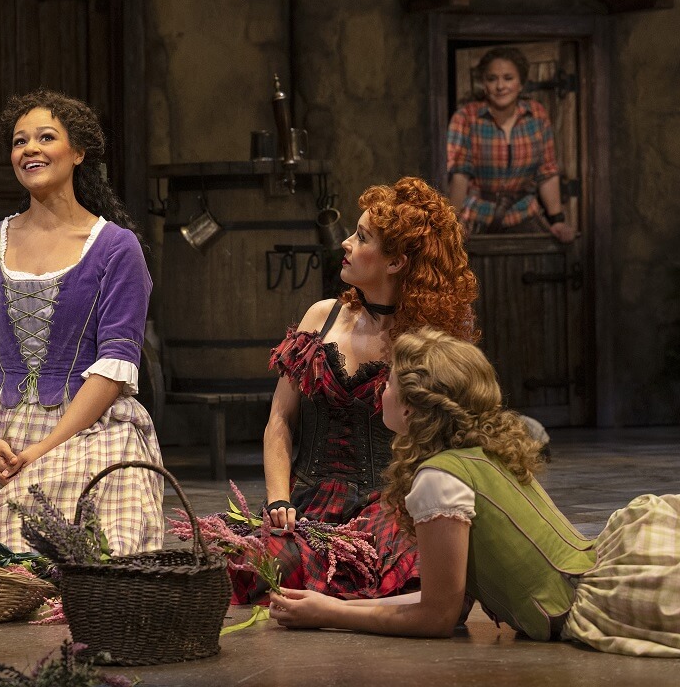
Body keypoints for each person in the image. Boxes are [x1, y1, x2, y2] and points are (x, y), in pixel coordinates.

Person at [269, 327, 680, 659]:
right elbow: (446, 601)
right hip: (589, 573)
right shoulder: (479, 452)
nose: (382, 390)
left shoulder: (438, 479)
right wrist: (327, 605)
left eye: (391, 383)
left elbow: (438, 617)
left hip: (582, 604)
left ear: (412, 408)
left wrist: (332, 614)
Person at [0, 89, 165, 558]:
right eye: (20, 141)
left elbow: (115, 363)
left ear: (78, 153)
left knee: (75, 552)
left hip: (86, 428)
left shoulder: (116, 248)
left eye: (46, 137)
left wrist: (41, 450)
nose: (29, 149)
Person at [231, 176, 479, 605]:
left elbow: (445, 442)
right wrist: (277, 501)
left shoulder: (426, 342)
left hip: (388, 505)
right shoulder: (322, 317)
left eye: (361, 237)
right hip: (308, 501)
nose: (345, 243)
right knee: (249, 567)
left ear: (396, 262)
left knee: (401, 574)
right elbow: (279, 420)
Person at [446, 45, 577, 244]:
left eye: (508, 78)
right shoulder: (466, 117)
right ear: (484, 83)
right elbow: (459, 175)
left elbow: (547, 172)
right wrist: (453, 222)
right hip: (477, 216)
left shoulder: (536, 115)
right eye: (492, 79)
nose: (500, 86)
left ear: (521, 83)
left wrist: (557, 220)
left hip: (523, 213)